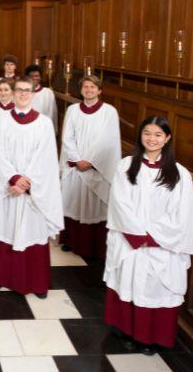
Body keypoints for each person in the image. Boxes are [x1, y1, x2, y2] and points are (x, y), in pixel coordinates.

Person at [104, 116, 193, 355]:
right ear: (140, 136)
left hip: (161, 244)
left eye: (158, 134)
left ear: (167, 139)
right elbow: (119, 202)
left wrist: (154, 236)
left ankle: (150, 337)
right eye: (147, 133)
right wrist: (136, 234)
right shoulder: (126, 165)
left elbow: (183, 212)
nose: (152, 139)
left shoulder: (179, 174)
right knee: (129, 282)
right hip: (131, 240)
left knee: (155, 288)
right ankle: (128, 331)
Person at [0, 77, 63, 298]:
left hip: (32, 191)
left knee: (32, 231)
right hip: (8, 187)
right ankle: (0, 277)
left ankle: (36, 281)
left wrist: (27, 183)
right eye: (19, 90)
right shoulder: (3, 120)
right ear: (13, 93)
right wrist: (13, 178)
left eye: (27, 91)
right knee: (5, 228)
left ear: (34, 94)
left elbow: (46, 158)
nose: (23, 94)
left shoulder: (44, 123)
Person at [59, 76, 121, 259]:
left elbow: (108, 140)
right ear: (81, 90)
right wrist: (77, 160)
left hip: (97, 167)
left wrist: (91, 161)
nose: (89, 89)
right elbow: (67, 137)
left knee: (95, 207)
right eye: (85, 86)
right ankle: (71, 241)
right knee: (73, 202)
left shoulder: (109, 111)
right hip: (76, 166)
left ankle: (95, 245)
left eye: (93, 87)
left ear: (100, 90)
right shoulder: (72, 110)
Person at [25, 64, 57, 131]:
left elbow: (52, 113)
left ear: (40, 77)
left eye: (37, 76)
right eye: (31, 76)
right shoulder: (22, 92)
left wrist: (51, 130)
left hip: (42, 128)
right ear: (27, 78)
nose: (34, 78)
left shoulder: (48, 93)